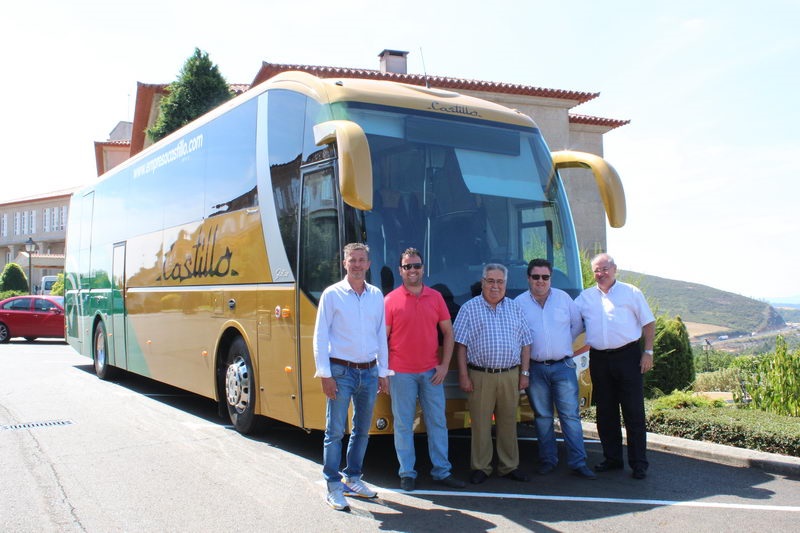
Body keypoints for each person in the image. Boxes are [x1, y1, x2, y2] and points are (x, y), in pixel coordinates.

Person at [313, 243, 390, 511]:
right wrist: (325, 373)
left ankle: (353, 479)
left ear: (369, 264)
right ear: (344, 263)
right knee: (334, 431)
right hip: (340, 371)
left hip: (369, 371)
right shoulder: (332, 295)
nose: (357, 264)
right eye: (352, 260)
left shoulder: (376, 295)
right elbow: (320, 336)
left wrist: (383, 371)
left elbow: (381, 335)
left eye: (361, 260)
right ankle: (333, 485)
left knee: (362, 430)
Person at [384, 248, 466, 491]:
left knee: (437, 422)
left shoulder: (436, 297)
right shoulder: (390, 301)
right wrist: (385, 373)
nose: (412, 270)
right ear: (400, 270)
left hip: (431, 372)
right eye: (407, 266)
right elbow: (382, 340)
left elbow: (449, 333)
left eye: (416, 266)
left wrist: (443, 365)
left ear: (423, 268)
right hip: (401, 374)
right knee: (403, 424)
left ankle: (442, 471)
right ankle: (407, 473)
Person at [575, 253, 655, 480]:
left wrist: (648, 352)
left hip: (629, 357)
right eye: (596, 271)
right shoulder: (585, 297)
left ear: (614, 269)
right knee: (605, 412)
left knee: (633, 412)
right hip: (599, 358)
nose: (600, 274)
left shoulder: (631, 292)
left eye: (604, 269)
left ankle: (639, 463)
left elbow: (649, 323)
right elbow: (570, 320)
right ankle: (612, 459)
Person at [514, 259, 596, 480]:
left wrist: (561, 345)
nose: (541, 281)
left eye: (545, 277)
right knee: (542, 417)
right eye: (536, 277)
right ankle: (548, 461)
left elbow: (577, 325)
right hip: (535, 369)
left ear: (550, 278)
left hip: (563, 367)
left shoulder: (563, 299)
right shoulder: (519, 303)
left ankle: (578, 462)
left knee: (570, 416)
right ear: (528, 278)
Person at [454, 263, 533, 484]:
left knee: (509, 422)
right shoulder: (469, 308)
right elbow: (461, 346)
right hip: (480, 375)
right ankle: (481, 467)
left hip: (510, 374)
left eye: (500, 282)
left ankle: (509, 466)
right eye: (491, 281)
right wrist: (463, 375)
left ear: (505, 284)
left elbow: (526, 343)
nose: (495, 286)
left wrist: (524, 373)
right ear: (483, 283)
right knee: (480, 424)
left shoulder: (515, 308)